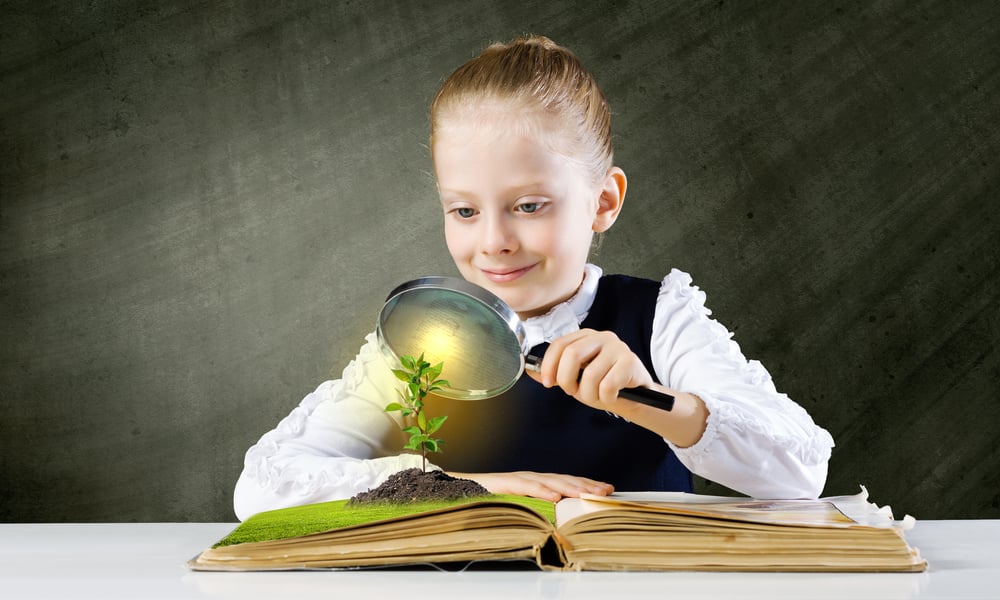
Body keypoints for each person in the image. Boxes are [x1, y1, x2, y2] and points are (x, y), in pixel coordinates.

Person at [232, 35, 834, 521]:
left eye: (529, 206)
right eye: (464, 210)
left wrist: (649, 397)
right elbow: (264, 487)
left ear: (603, 201)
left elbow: (800, 473)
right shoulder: (421, 340)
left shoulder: (661, 317)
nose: (493, 241)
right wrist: (468, 486)